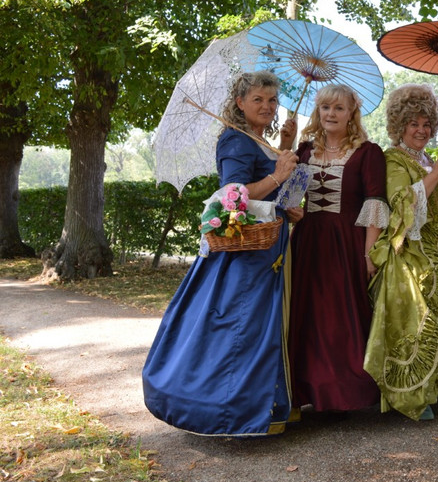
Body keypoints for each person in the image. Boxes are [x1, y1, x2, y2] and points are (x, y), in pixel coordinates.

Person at [142, 71, 301, 436]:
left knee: (263, 326)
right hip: (247, 255)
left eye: (272, 100)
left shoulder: (259, 140)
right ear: (240, 103)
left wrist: (287, 198)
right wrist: (277, 177)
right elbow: (234, 197)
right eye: (258, 99)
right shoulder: (234, 140)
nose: (267, 105)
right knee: (240, 326)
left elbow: (269, 192)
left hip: (269, 249)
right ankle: (229, 413)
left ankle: (268, 407)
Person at [364, 84, 438, 421]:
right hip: (411, 252)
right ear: (399, 126)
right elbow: (399, 203)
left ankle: (436, 388)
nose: (422, 131)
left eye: (426, 124)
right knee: (416, 320)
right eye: (414, 124)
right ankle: (411, 395)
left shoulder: (428, 159)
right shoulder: (392, 158)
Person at [288, 84, 388, 414]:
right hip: (308, 243)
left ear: (351, 114)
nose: (331, 114)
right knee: (308, 316)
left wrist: (368, 253)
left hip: (346, 244)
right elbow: (289, 198)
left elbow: (375, 203)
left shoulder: (367, 152)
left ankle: (347, 394)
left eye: (339, 109)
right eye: (326, 107)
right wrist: (284, 145)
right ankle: (309, 389)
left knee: (340, 317)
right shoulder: (304, 151)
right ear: (318, 111)